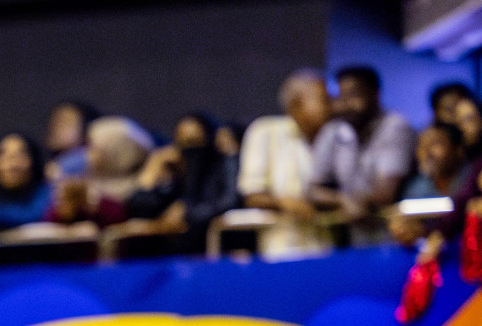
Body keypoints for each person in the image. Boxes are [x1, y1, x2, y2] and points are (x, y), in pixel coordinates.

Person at [238, 68, 334, 258]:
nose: (332, 106)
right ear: (296, 104)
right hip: (282, 251)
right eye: (324, 100)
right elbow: (251, 194)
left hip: (328, 251)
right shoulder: (266, 130)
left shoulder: (335, 137)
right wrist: (286, 203)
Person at [310, 65, 414, 227]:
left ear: (375, 95)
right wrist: (343, 201)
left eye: (353, 95)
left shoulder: (395, 126)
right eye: (340, 97)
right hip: (352, 232)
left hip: (392, 230)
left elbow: (384, 194)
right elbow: (312, 191)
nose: (345, 104)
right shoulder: (335, 129)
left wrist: (338, 200)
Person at [124, 112, 239, 252]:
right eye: (182, 143)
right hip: (169, 258)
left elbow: (229, 201)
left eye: (194, 142)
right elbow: (138, 206)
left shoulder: (220, 169)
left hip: (214, 252)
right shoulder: (171, 174)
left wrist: (188, 213)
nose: (189, 152)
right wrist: (151, 172)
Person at [44, 99, 98, 181]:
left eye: (65, 122)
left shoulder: (89, 159)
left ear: (87, 128)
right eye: (54, 121)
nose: (54, 127)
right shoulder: (55, 162)